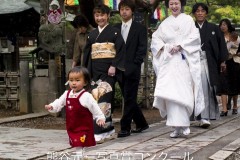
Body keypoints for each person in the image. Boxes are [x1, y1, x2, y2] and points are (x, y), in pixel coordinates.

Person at [151, 0, 204, 138]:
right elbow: (155, 38)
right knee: (171, 94)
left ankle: (185, 124)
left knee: (183, 91)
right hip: (169, 61)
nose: (174, 6)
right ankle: (175, 127)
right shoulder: (164, 23)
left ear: (181, 5)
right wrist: (165, 47)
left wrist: (181, 45)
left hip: (183, 60)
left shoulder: (188, 20)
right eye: (171, 3)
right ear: (168, 6)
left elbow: (195, 37)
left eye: (177, 3)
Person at [83, 4, 125, 143]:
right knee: (95, 100)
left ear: (108, 16)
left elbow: (120, 50)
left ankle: (101, 131)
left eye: (102, 15)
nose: (99, 18)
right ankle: (108, 129)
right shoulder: (92, 35)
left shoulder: (115, 32)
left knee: (104, 101)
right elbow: (87, 54)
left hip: (108, 72)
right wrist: (86, 72)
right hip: (95, 72)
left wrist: (114, 65)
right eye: (97, 15)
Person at [45, 66, 105, 158]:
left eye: (77, 80)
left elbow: (95, 107)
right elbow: (59, 102)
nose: (73, 83)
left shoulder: (86, 96)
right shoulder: (67, 94)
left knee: (79, 143)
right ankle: (82, 156)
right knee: (77, 143)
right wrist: (52, 106)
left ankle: (79, 157)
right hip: (72, 125)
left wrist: (100, 117)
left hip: (83, 126)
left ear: (85, 82)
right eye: (71, 80)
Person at [114, 0, 149, 138]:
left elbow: (142, 48)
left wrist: (136, 64)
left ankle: (125, 127)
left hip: (132, 68)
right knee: (128, 98)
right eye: (122, 9)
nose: (124, 12)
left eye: (127, 9)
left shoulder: (139, 28)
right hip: (118, 68)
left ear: (132, 11)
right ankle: (141, 123)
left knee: (129, 98)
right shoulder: (115, 27)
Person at [192, 3, 228, 127]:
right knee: (195, 89)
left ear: (206, 13)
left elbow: (221, 45)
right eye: (197, 11)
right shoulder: (190, 27)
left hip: (209, 62)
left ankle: (206, 116)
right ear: (194, 13)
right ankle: (196, 115)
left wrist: (223, 61)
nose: (200, 13)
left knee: (207, 88)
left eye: (203, 11)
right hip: (193, 62)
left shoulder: (213, 28)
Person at [219, 19, 240, 115]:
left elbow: (236, 50)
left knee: (234, 84)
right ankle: (224, 109)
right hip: (222, 63)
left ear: (228, 26)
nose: (222, 26)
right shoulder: (218, 36)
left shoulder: (235, 36)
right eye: (221, 25)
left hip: (234, 62)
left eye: (224, 24)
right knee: (223, 84)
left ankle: (235, 105)